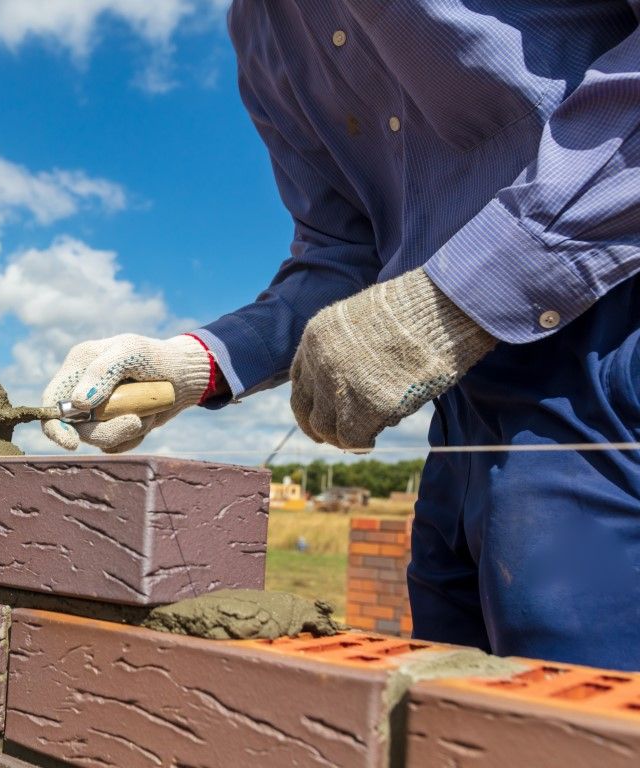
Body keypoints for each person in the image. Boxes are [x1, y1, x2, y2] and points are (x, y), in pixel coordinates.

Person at [41, 1, 640, 671]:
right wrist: (193, 364)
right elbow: (343, 253)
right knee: (458, 710)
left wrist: (459, 297)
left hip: (618, 328)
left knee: (576, 705)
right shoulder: (261, 33)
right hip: (461, 401)